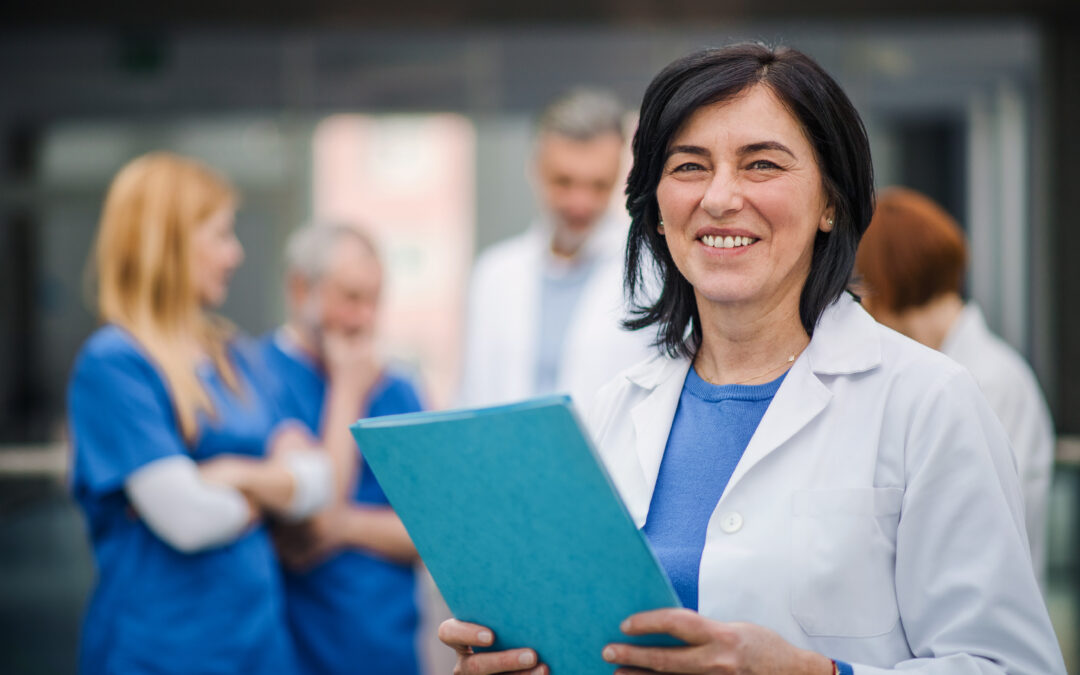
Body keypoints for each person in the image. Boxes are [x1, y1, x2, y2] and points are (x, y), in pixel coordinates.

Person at [439, 44, 1065, 674]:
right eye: (689, 166)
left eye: (761, 164)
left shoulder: (928, 401)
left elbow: (1011, 666)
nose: (719, 197)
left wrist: (811, 674)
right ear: (655, 209)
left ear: (830, 203)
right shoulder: (616, 409)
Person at [67, 152, 332, 674]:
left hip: (258, 645)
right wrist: (274, 489)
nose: (234, 255)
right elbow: (188, 520)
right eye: (219, 235)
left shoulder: (233, 355)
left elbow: (318, 481)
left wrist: (229, 475)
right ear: (167, 244)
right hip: (159, 652)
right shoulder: (114, 365)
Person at [854, 186, 1055, 586]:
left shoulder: (986, 380)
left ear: (885, 279)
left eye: (859, 280)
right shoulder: (965, 369)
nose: (854, 299)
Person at [258, 223, 423, 675]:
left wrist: (344, 525)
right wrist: (347, 391)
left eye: (375, 300)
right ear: (299, 288)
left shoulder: (398, 390)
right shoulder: (256, 381)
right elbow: (308, 526)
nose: (365, 319)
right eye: (350, 298)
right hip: (298, 653)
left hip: (390, 651)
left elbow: (433, 535)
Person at [459, 87, 654, 410]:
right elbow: (468, 397)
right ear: (534, 168)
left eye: (598, 185)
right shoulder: (494, 274)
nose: (580, 203)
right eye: (564, 182)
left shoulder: (652, 274)